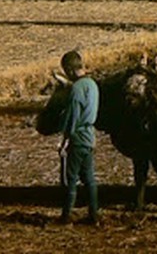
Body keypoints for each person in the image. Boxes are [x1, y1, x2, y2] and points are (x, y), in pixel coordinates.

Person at [57, 49, 100, 224]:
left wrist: (64, 141)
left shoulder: (77, 88)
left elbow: (73, 116)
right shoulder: (93, 85)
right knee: (89, 177)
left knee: (71, 178)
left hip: (78, 137)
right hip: (90, 137)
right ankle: (94, 215)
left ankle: (66, 216)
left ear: (69, 69)